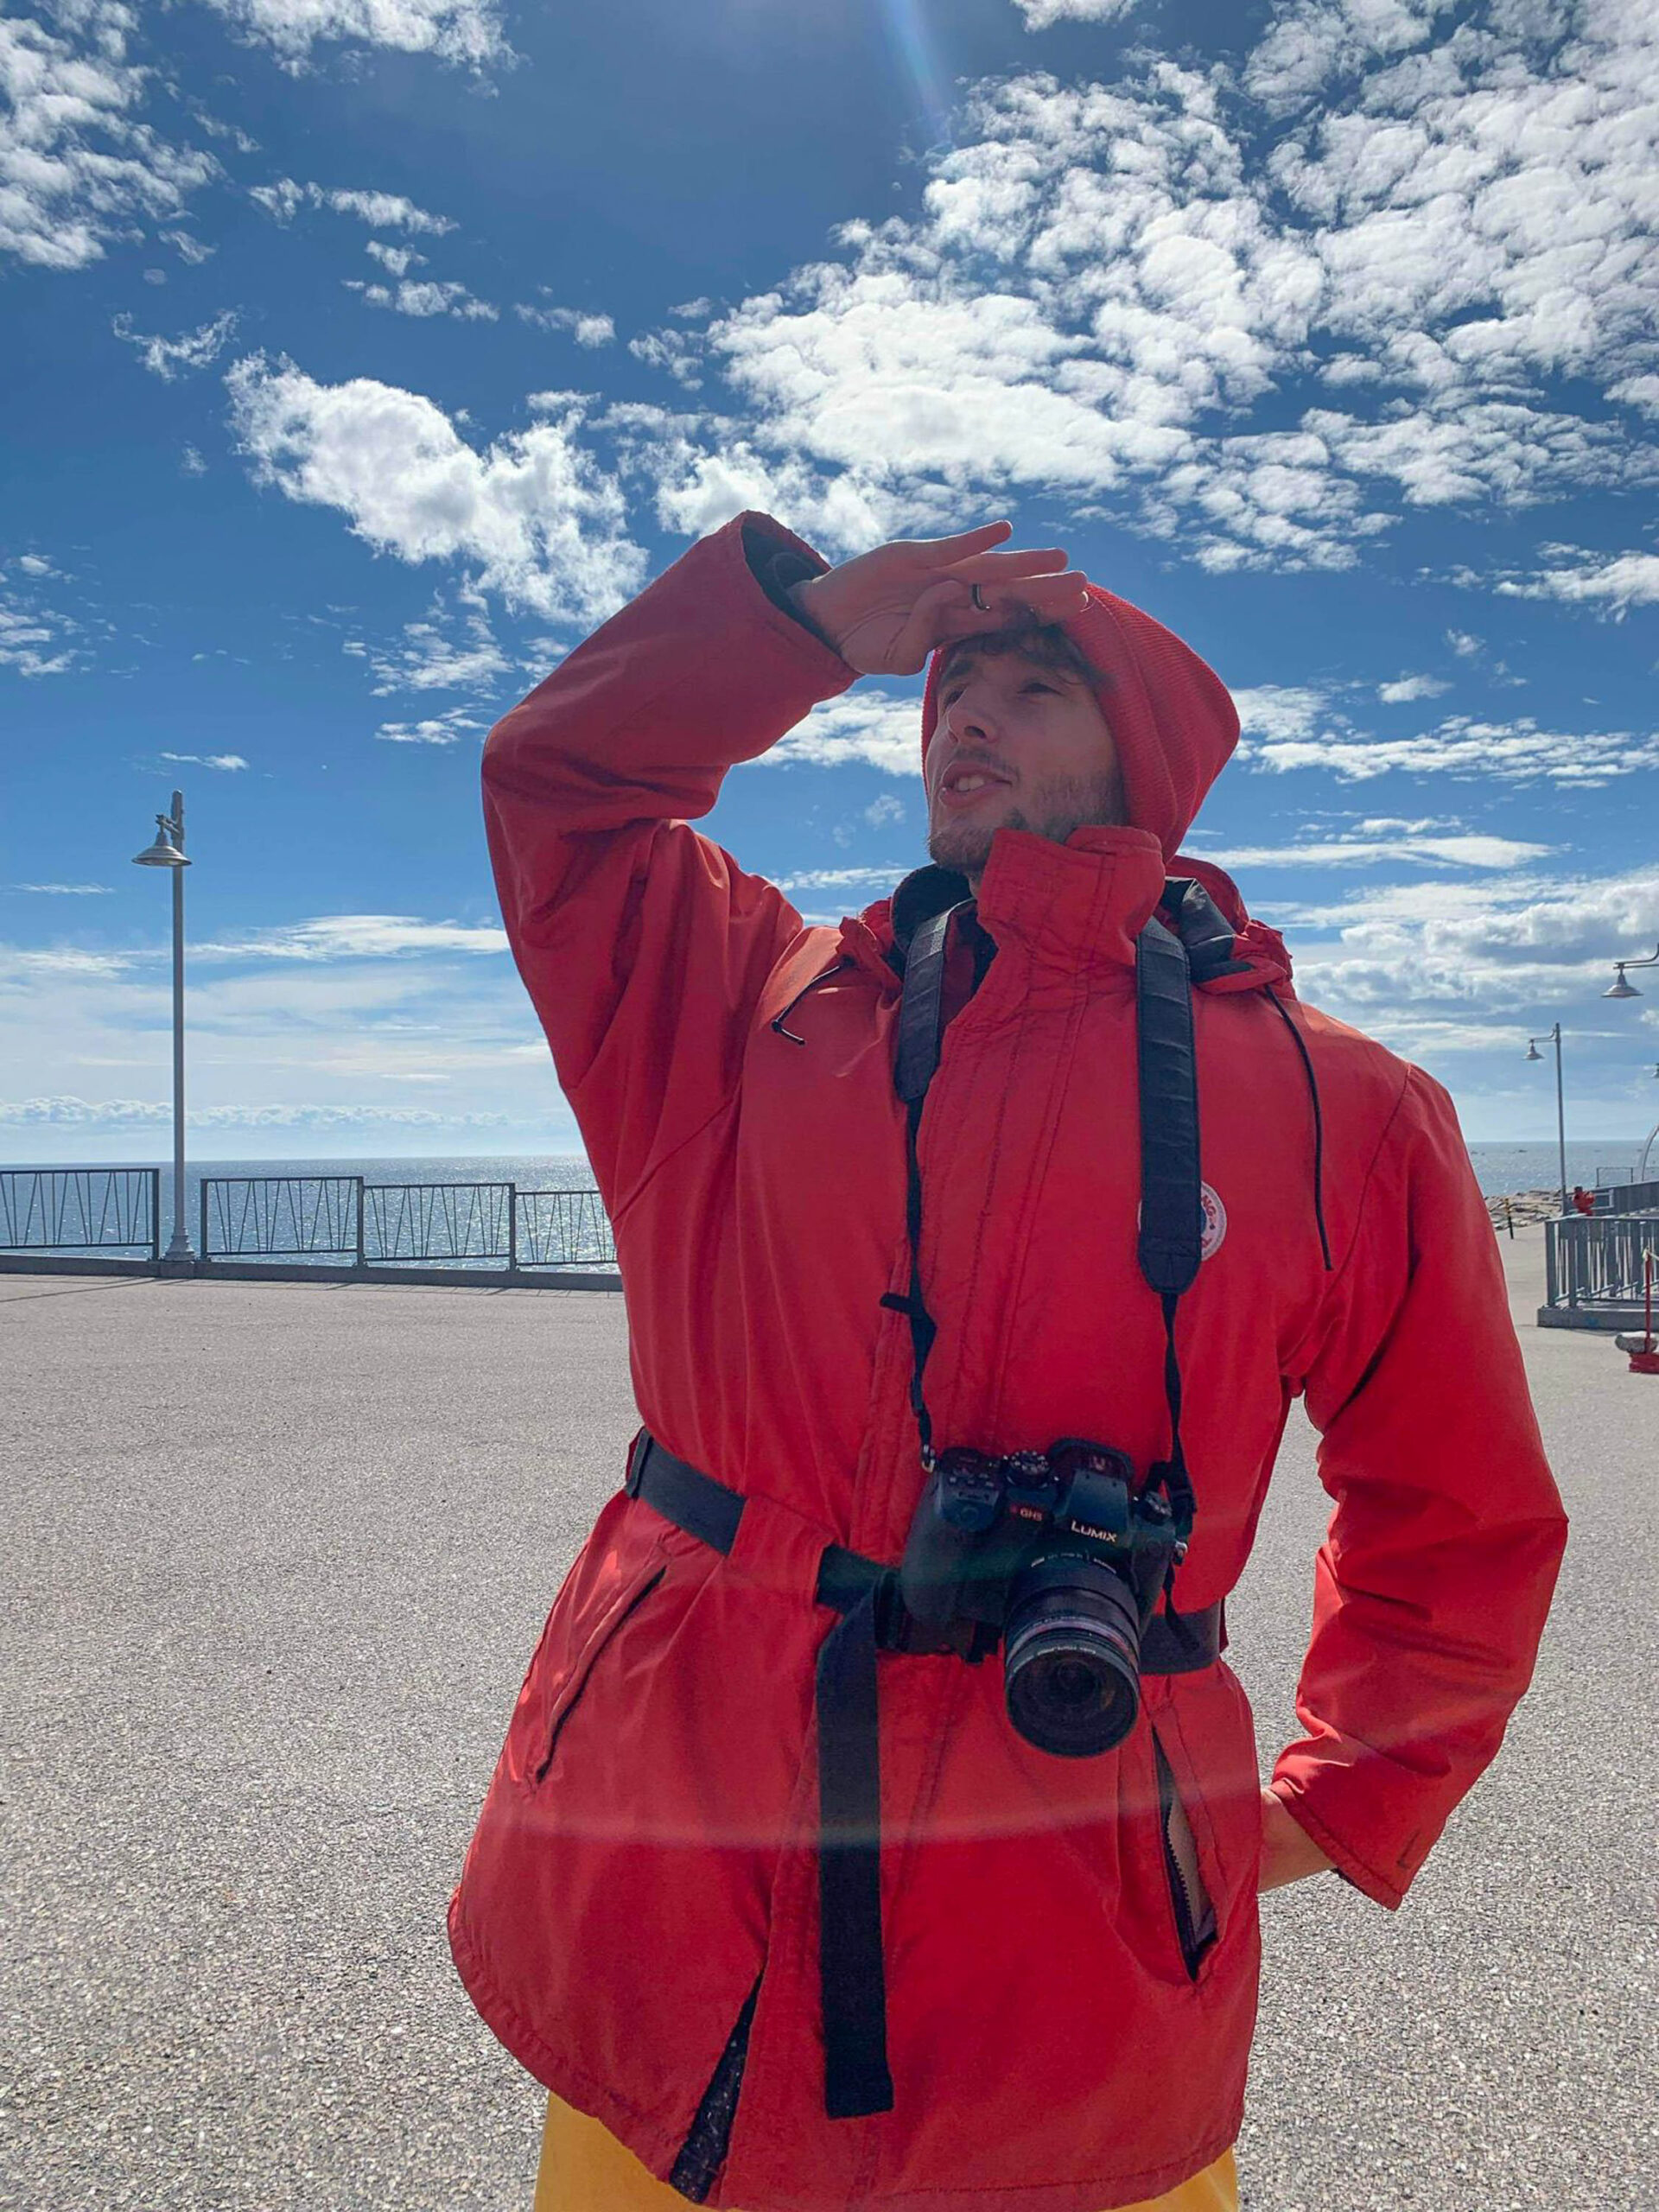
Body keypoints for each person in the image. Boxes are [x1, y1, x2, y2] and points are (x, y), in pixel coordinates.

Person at [449, 515, 1568, 2212]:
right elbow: (560, 787)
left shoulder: (1351, 1111)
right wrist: (804, 626)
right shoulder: (748, 1003)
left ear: (1149, 760)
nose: (965, 711)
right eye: (951, 683)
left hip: (1076, 1977)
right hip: (675, 1925)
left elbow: (1463, 1516)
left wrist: (1327, 1802)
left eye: (1036, 686)